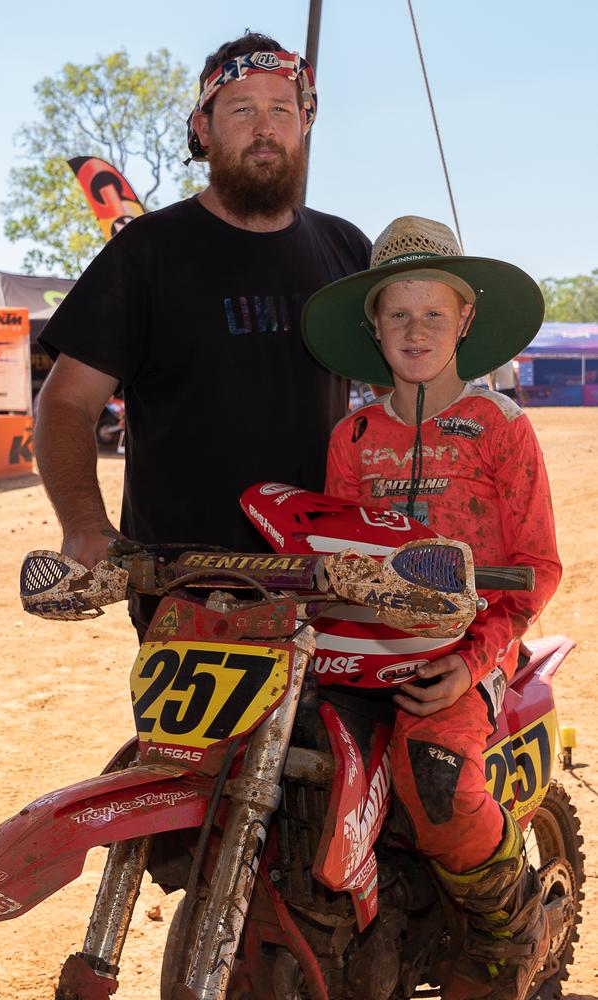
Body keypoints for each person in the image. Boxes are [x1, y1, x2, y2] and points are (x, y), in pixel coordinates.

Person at [302, 216, 562, 1000]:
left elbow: (540, 568)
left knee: (436, 777)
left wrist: (471, 661)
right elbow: (336, 559)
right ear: (374, 326)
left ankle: (504, 925)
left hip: (468, 650)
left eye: (434, 314)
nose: (416, 331)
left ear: (466, 321)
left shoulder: (501, 427)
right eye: (398, 314)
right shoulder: (351, 434)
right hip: (362, 649)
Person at [35, 32, 370, 638]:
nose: (264, 127)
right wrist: (86, 523)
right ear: (204, 129)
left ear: (304, 125)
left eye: (282, 110)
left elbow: (411, 391)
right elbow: (65, 402)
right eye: (242, 110)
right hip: (184, 592)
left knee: (337, 739)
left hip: (331, 587)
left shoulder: (346, 248)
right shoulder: (145, 253)